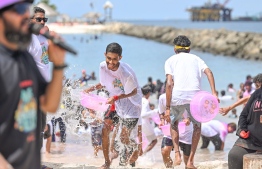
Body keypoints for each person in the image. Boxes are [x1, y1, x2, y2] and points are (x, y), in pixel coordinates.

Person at [0, 0, 66, 168]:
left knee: (39, 130)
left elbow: (49, 104)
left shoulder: (25, 58)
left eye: (27, 10)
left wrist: (58, 65)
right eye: (20, 9)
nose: (25, 15)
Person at [84, 42, 142, 169]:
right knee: (104, 130)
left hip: (132, 105)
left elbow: (134, 92)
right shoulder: (102, 66)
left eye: (114, 59)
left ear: (120, 58)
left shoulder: (126, 74)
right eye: (108, 58)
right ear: (105, 55)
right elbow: (103, 83)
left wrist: (115, 97)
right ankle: (106, 163)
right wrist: (90, 89)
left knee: (124, 138)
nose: (111, 62)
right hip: (115, 102)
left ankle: (136, 148)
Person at [164, 35, 218, 169]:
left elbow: (169, 84)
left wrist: (168, 107)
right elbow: (209, 72)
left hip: (177, 96)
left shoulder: (170, 60)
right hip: (195, 97)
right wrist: (214, 93)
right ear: (189, 49)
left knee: (174, 124)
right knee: (197, 127)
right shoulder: (197, 59)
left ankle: (177, 153)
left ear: (175, 49)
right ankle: (191, 162)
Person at [28, 6, 52, 161]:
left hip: (44, 89)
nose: (42, 22)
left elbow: (46, 61)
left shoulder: (43, 37)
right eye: (38, 19)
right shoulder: (27, 39)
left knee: (41, 129)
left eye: (44, 19)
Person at [228, 84, 262, 169]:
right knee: (234, 155)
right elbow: (243, 115)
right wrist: (242, 129)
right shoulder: (256, 94)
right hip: (251, 140)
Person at [158, 90, 193, 168]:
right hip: (169, 129)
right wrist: (162, 121)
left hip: (186, 130)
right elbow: (161, 112)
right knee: (165, 151)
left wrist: (188, 118)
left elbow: (193, 110)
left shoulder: (186, 96)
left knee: (187, 162)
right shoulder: (163, 98)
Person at [140, 85, 158, 155]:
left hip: (138, 123)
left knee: (140, 141)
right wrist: (155, 111)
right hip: (144, 123)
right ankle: (142, 155)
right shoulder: (146, 101)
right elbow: (143, 115)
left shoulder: (139, 100)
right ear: (148, 93)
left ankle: (138, 156)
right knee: (154, 141)